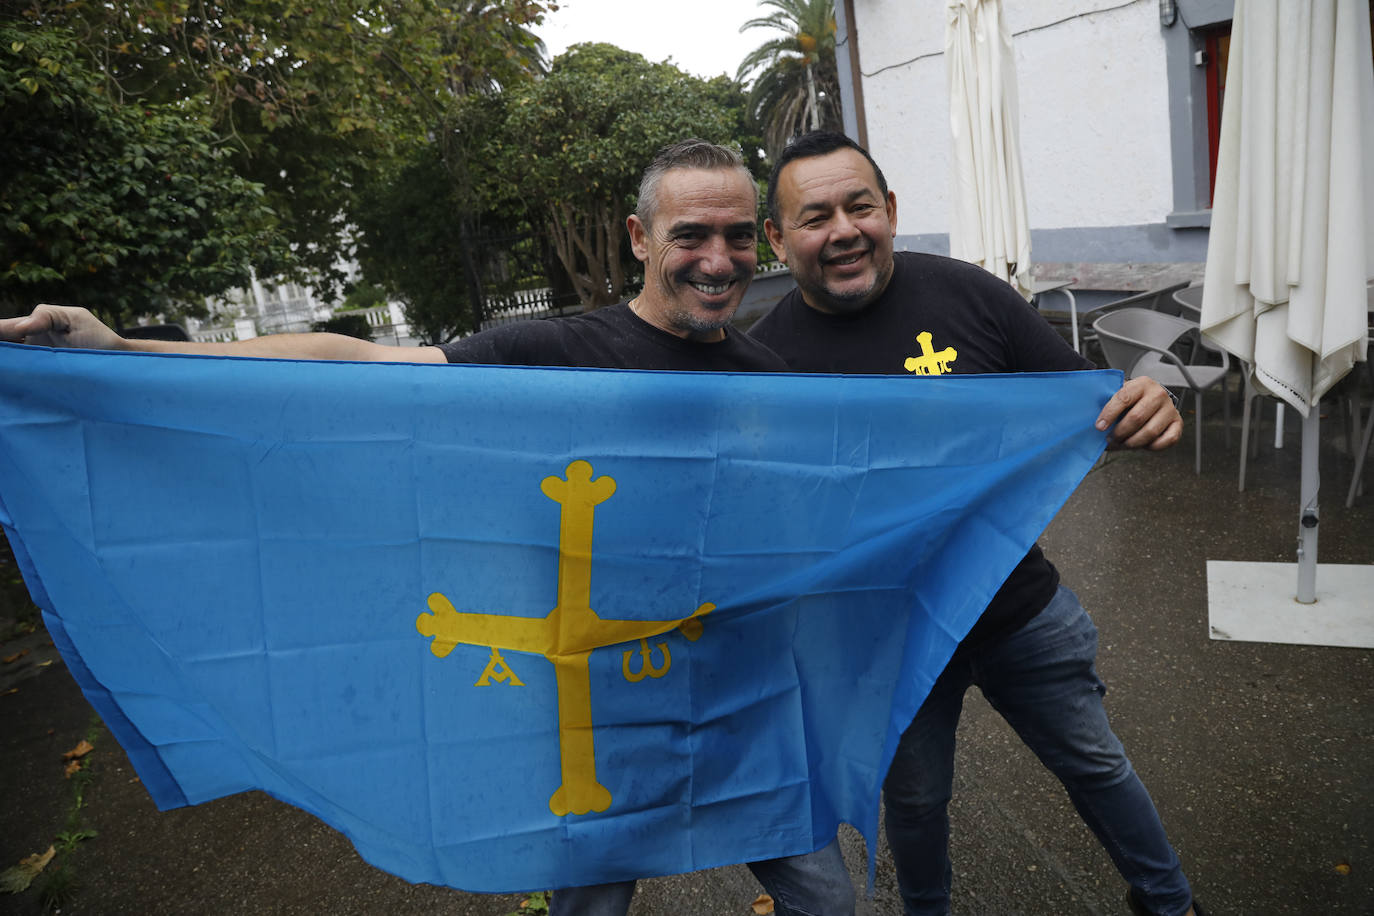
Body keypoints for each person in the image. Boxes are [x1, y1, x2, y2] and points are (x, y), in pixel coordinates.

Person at [0, 139, 856, 916]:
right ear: (639, 238)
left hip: (748, 708)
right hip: (595, 723)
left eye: (739, 235)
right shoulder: (549, 357)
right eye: (691, 235)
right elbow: (358, 363)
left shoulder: (773, 385)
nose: (718, 259)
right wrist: (122, 351)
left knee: (829, 903)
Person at [748, 130, 1204, 916]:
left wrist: (1148, 401)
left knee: (1096, 765)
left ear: (891, 210)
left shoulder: (970, 294)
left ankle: (1170, 902)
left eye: (861, 206)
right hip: (887, 639)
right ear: (778, 239)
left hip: (1017, 606)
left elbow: (1089, 409)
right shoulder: (762, 364)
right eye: (815, 217)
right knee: (917, 804)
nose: (844, 230)